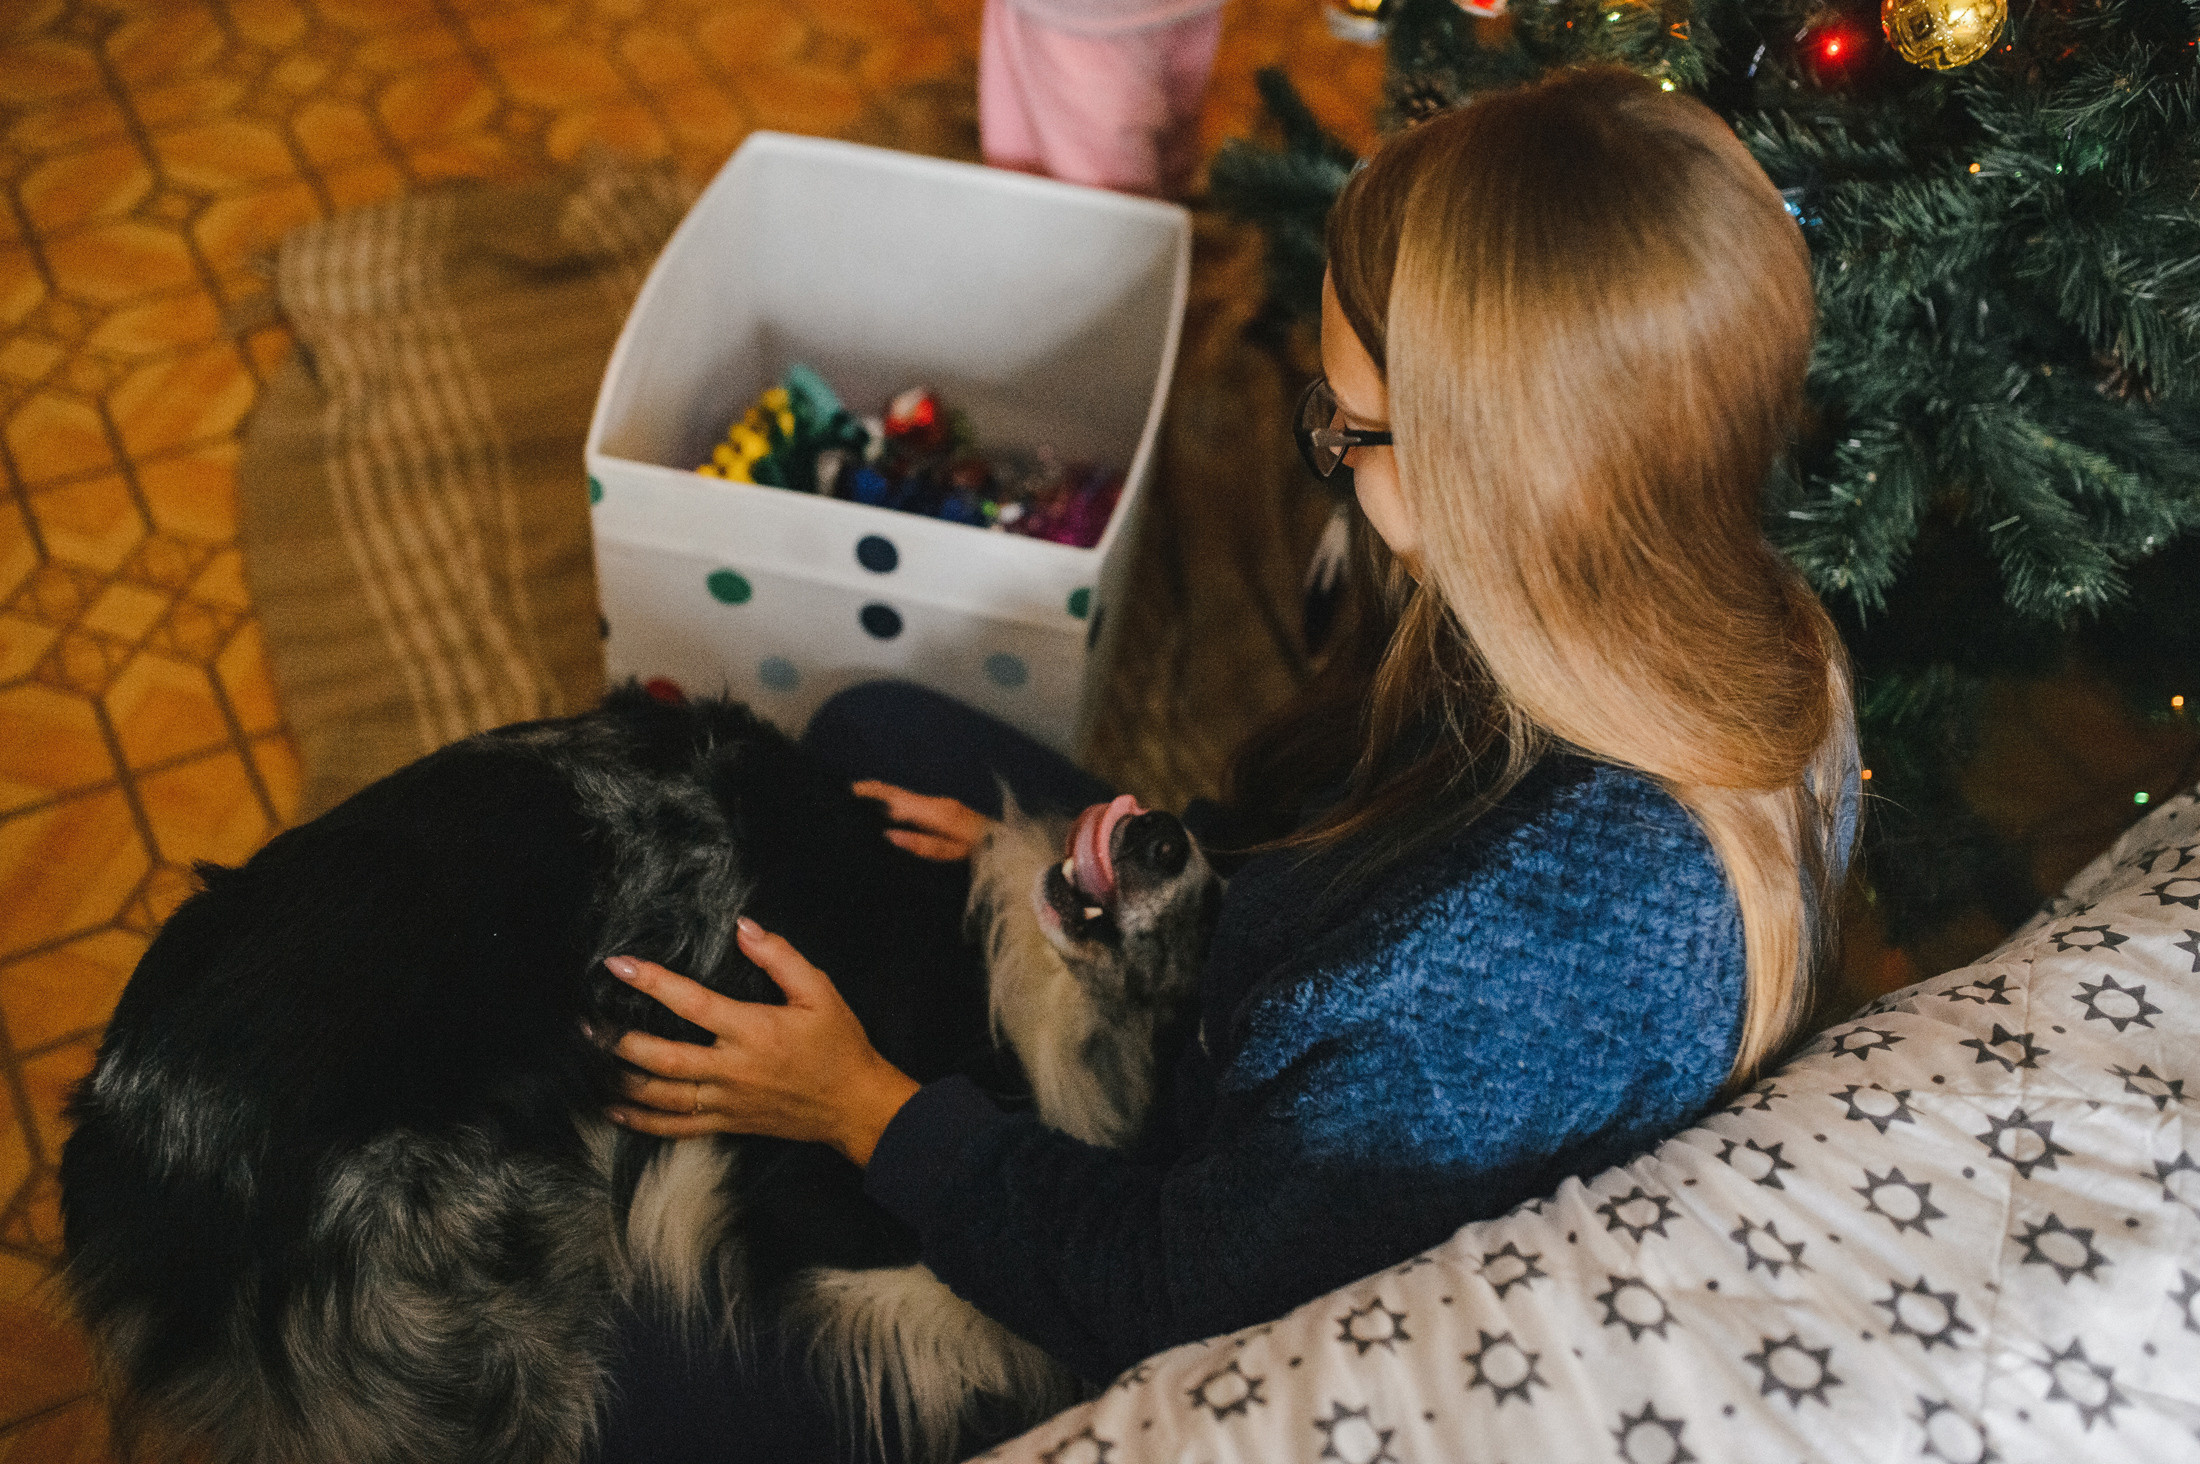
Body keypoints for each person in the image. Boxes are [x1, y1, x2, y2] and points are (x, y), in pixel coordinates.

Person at [592, 65, 1857, 1459]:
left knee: (622, 1341)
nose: (1327, 454)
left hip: (1190, 1274)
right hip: (1254, 1018)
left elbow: (1173, 1297)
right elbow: (1333, 848)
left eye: (1350, 430)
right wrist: (1077, 868)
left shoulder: (1475, 978)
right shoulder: (1717, 629)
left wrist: (863, 1110)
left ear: (1497, 475)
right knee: (870, 736)